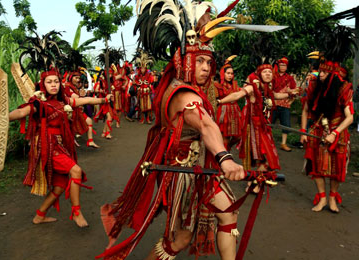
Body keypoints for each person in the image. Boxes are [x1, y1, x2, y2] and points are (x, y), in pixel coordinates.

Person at [96, 2, 247, 260]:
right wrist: (225, 157)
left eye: (209, 62)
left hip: (205, 167)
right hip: (185, 173)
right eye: (199, 61)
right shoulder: (182, 93)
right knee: (180, 239)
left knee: (229, 213)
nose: (206, 68)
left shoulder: (195, 89)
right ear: (185, 61)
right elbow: (206, 124)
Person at [10, 66, 112, 227]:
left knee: (59, 187)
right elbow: (22, 112)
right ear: (43, 84)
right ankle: (77, 212)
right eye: (49, 82)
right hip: (47, 146)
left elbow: (82, 100)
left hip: (60, 145)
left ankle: (40, 215)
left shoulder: (63, 101)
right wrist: (3, 118)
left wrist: (103, 100)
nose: (53, 85)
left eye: (56, 81)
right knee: (76, 171)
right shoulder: (39, 103)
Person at [218, 63, 298, 193]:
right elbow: (237, 95)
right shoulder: (252, 87)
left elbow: (276, 95)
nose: (268, 74)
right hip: (252, 127)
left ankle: (255, 182)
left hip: (264, 127)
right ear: (259, 74)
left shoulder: (267, 88)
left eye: (270, 72)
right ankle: (253, 182)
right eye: (265, 72)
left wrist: (289, 94)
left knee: (265, 158)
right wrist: (220, 102)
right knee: (257, 157)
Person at [301, 58, 353, 213]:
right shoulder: (314, 86)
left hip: (338, 131)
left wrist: (335, 133)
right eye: (320, 71)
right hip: (317, 129)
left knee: (337, 167)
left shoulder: (343, 88)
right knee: (316, 166)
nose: (320, 74)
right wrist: (303, 131)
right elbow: (305, 110)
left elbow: (350, 117)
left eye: (324, 72)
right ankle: (322, 197)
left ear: (332, 74)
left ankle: (332, 198)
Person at [64, 69, 100, 148]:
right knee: (70, 128)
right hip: (70, 111)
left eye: (78, 78)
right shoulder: (67, 86)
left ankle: (90, 141)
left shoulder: (74, 86)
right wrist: (82, 96)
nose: (77, 80)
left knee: (89, 121)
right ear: (70, 77)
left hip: (77, 110)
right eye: (75, 78)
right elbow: (75, 97)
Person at [215, 56, 242, 150]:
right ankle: (224, 155)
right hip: (224, 112)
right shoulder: (217, 85)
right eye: (228, 73)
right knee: (225, 138)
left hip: (235, 112)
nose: (230, 75)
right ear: (223, 74)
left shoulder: (235, 84)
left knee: (239, 136)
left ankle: (227, 149)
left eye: (232, 73)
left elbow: (240, 93)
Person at [271, 57, 297, 152]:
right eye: (281, 65)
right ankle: (268, 141)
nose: (283, 67)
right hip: (273, 103)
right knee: (270, 122)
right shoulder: (273, 76)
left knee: (286, 124)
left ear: (287, 67)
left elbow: (294, 89)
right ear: (278, 65)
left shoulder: (290, 78)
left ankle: (283, 143)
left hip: (285, 103)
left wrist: (294, 91)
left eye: (284, 65)